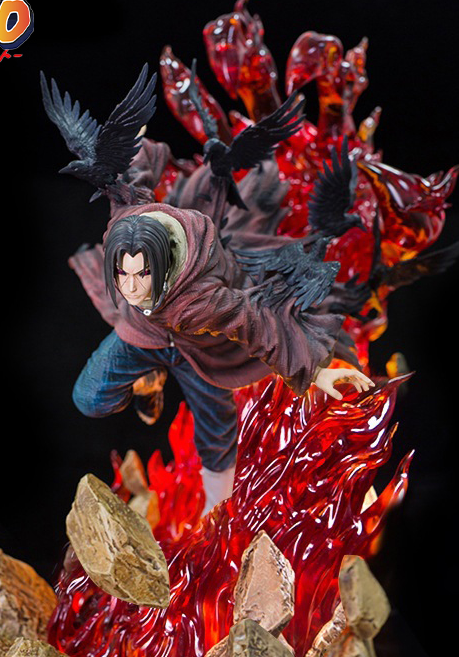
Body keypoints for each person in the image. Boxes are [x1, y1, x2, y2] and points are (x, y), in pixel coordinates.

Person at [69, 197, 373, 513]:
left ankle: (216, 511)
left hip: (201, 354)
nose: (130, 288)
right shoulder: (125, 230)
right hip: (142, 335)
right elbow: (130, 190)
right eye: (122, 273)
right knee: (91, 398)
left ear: (162, 266)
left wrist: (315, 371)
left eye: (142, 274)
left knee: (217, 435)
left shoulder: (205, 300)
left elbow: (258, 325)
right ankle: (149, 378)